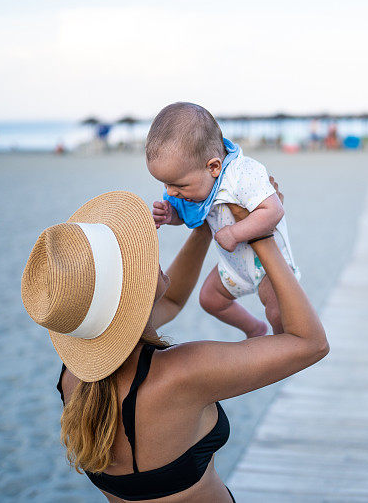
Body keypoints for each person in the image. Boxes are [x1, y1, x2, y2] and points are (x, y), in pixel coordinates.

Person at [21, 190, 327, 502]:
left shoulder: (72, 379)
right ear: (126, 288)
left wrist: (208, 221)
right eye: (136, 255)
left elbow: (172, 299)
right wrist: (261, 236)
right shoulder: (182, 373)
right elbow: (310, 343)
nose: (149, 254)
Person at [147, 102, 300, 338]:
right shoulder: (198, 183)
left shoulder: (243, 173)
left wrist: (235, 233)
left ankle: (282, 345)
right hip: (234, 267)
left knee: (277, 313)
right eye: (165, 184)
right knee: (210, 299)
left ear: (214, 167)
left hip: (267, 266)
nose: (170, 192)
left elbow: (273, 210)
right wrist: (172, 215)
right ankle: (254, 329)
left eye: (178, 185)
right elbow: (190, 217)